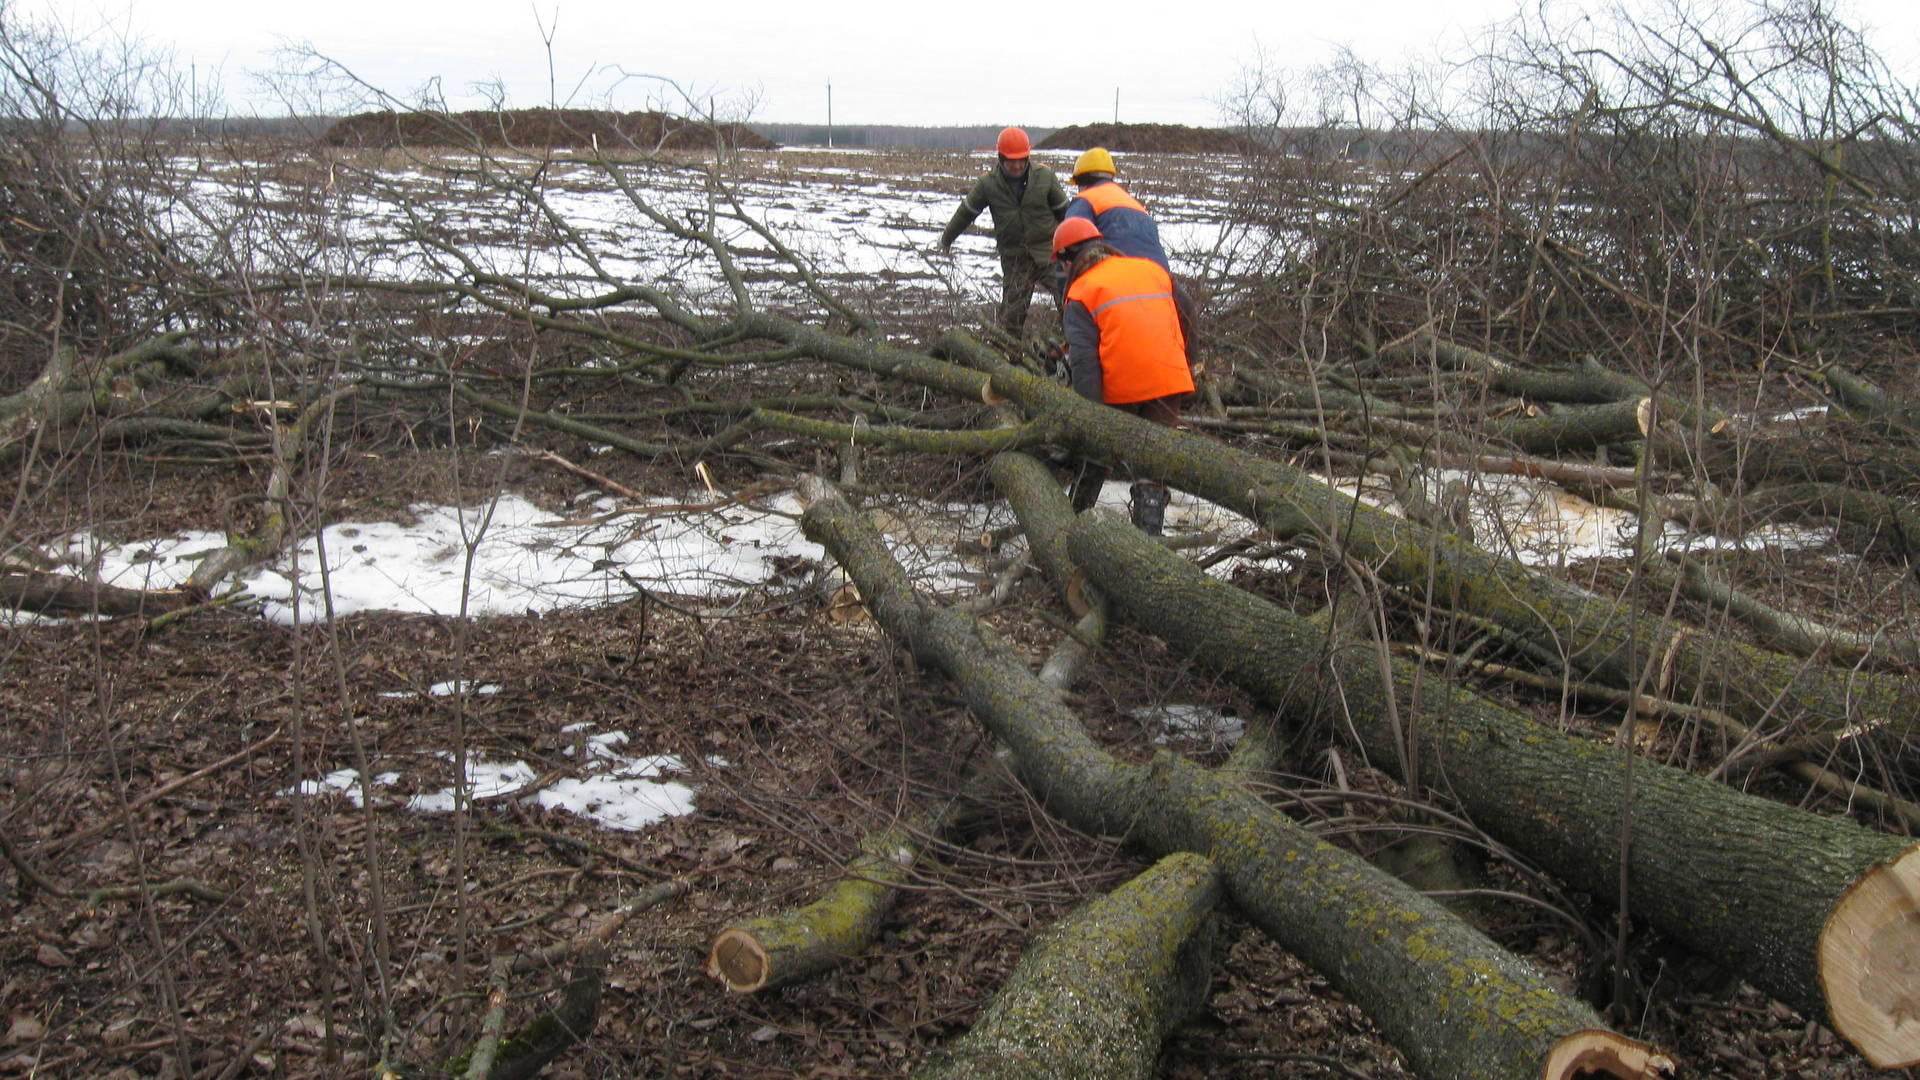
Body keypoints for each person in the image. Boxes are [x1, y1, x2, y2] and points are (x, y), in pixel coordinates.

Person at [1053, 217, 1196, 535]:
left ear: (1067, 259)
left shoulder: (1081, 292)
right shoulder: (1150, 269)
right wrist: (1187, 363)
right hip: (1170, 379)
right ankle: (1148, 541)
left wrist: (1090, 416)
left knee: (1097, 451)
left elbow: (1085, 362)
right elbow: (1188, 311)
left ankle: (1071, 526)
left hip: (1122, 386)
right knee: (1153, 462)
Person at [937, 126, 1069, 339]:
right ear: (1000, 158)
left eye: (1021, 160)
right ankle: (1010, 352)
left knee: (1069, 302)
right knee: (1011, 318)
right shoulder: (988, 185)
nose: (1016, 165)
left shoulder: (1045, 177)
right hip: (1015, 259)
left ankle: (1072, 347)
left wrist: (1077, 246)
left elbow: (1066, 213)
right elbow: (966, 212)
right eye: (1011, 160)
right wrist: (946, 240)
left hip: (1050, 253)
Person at [1062, 147, 1170, 269]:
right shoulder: (1135, 204)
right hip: (1159, 275)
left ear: (1082, 181)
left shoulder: (1085, 200)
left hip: (1116, 273)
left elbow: (1069, 247)